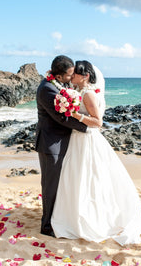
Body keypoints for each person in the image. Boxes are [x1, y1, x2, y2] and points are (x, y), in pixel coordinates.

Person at [51, 60, 141, 246]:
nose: (71, 76)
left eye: (75, 73)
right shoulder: (76, 92)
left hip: (87, 140)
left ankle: (92, 217)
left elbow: (98, 122)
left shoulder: (88, 94)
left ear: (85, 76)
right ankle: (73, 216)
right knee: (76, 178)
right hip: (77, 139)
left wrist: (75, 114)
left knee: (89, 178)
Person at [36, 55, 87, 237]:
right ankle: (47, 226)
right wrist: (88, 127)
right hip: (51, 144)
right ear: (58, 76)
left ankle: (56, 218)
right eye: (69, 74)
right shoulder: (46, 89)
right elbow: (61, 117)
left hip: (63, 141)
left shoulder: (60, 84)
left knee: (61, 184)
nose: (72, 77)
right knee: (50, 186)